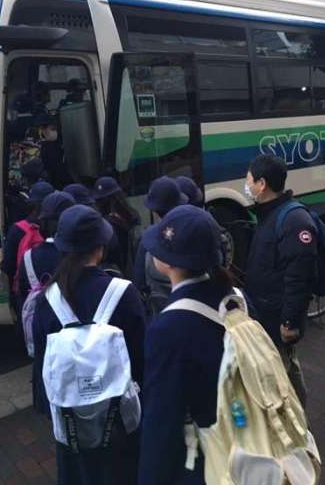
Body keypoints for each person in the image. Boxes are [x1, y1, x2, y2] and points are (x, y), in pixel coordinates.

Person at [32, 204, 147, 485]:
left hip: (71, 425)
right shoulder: (124, 293)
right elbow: (141, 361)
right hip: (121, 421)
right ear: (100, 247)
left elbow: (42, 368)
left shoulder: (47, 301)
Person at [138, 204, 238, 484]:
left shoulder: (168, 328)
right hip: (241, 435)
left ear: (169, 261)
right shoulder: (237, 298)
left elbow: (161, 421)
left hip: (206, 457)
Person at [244, 154, 317, 408]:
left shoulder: (293, 220)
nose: (247, 185)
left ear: (262, 184)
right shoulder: (268, 214)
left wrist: (290, 321)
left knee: (283, 377)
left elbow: (299, 278)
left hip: (279, 319)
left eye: (249, 180)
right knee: (284, 370)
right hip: (266, 313)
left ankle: (296, 423)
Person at [133, 176, 188, 313]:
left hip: (161, 311)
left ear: (154, 209)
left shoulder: (146, 240)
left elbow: (139, 282)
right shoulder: (193, 230)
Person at [17, 191, 76, 316]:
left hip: (41, 321)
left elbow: (22, 293)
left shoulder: (29, 257)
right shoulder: (81, 255)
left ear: (43, 222)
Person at [1, 181, 54, 312]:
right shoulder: (54, 228)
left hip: (24, 293)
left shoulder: (17, 229)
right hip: (52, 291)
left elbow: (7, 266)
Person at [93, 176, 140, 273]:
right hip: (133, 267)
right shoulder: (132, 215)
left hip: (118, 271)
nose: (97, 204)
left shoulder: (107, 224)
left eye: (99, 200)